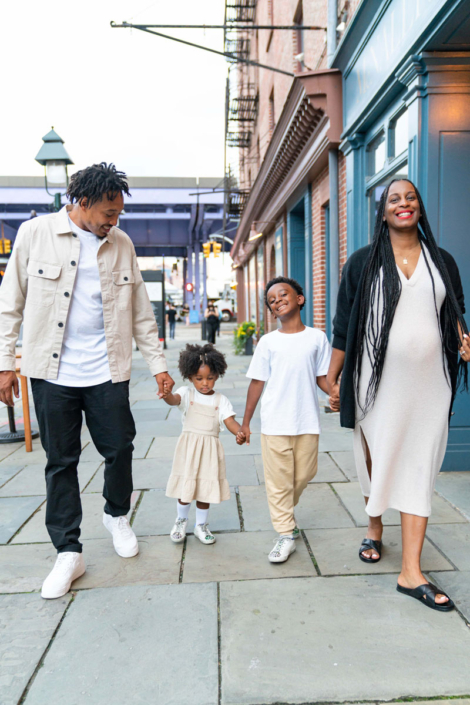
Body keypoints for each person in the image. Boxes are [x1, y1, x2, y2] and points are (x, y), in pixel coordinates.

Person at [0, 162, 174, 599]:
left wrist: (158, 364)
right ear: (81, 202)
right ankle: (68, 551)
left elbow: (139, 311)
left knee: (120, 448)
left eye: (118, 214)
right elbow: (9, 305)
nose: (114, 221)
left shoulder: (121, 244)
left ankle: (116, 514)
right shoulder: (34, 234)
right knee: (61, 460)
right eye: (108, 213)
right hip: (51, 371)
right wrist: (4, 364)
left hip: (106, 369)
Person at [327, 178, 470, 612]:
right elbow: (343, 326)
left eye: (410, 197)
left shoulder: (441, 261)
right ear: (383, 211)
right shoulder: (362, 263)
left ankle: (412, 571)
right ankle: (374, 528)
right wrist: (332, 379)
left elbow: (456, 313)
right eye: (394, 199)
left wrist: (464, 339)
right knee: (380, 456)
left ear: (419, 208)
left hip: (431, 384)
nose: (403, 203)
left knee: (419, 463)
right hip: (375, 383)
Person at [239, 277, 332, 563]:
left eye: (283, 294)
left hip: (306, 421)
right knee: (279, 482)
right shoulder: (269, 342)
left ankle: (284, 513)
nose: (277, 300)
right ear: (272, 311)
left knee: (303, 475)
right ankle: (285, 533)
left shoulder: (317, 338)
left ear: (300, 298)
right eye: (272, 300)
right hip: (275, 422)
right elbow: (257, 383)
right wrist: (246, 423)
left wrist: (337, 395)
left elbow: (323, 378)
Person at [162, 343, 245, 544]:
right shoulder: (187, 394)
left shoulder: (220, 400)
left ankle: (201, 525)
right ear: (190, 377)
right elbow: (174, 400)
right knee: (186, 487)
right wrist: (167, 395)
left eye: (210, 378)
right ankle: (181, 520)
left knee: (205, 490)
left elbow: (229, 420)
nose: (205, 383)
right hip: (189, 449)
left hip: (209, 450)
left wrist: (239, 432)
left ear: (217, 375)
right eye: (199, 379)